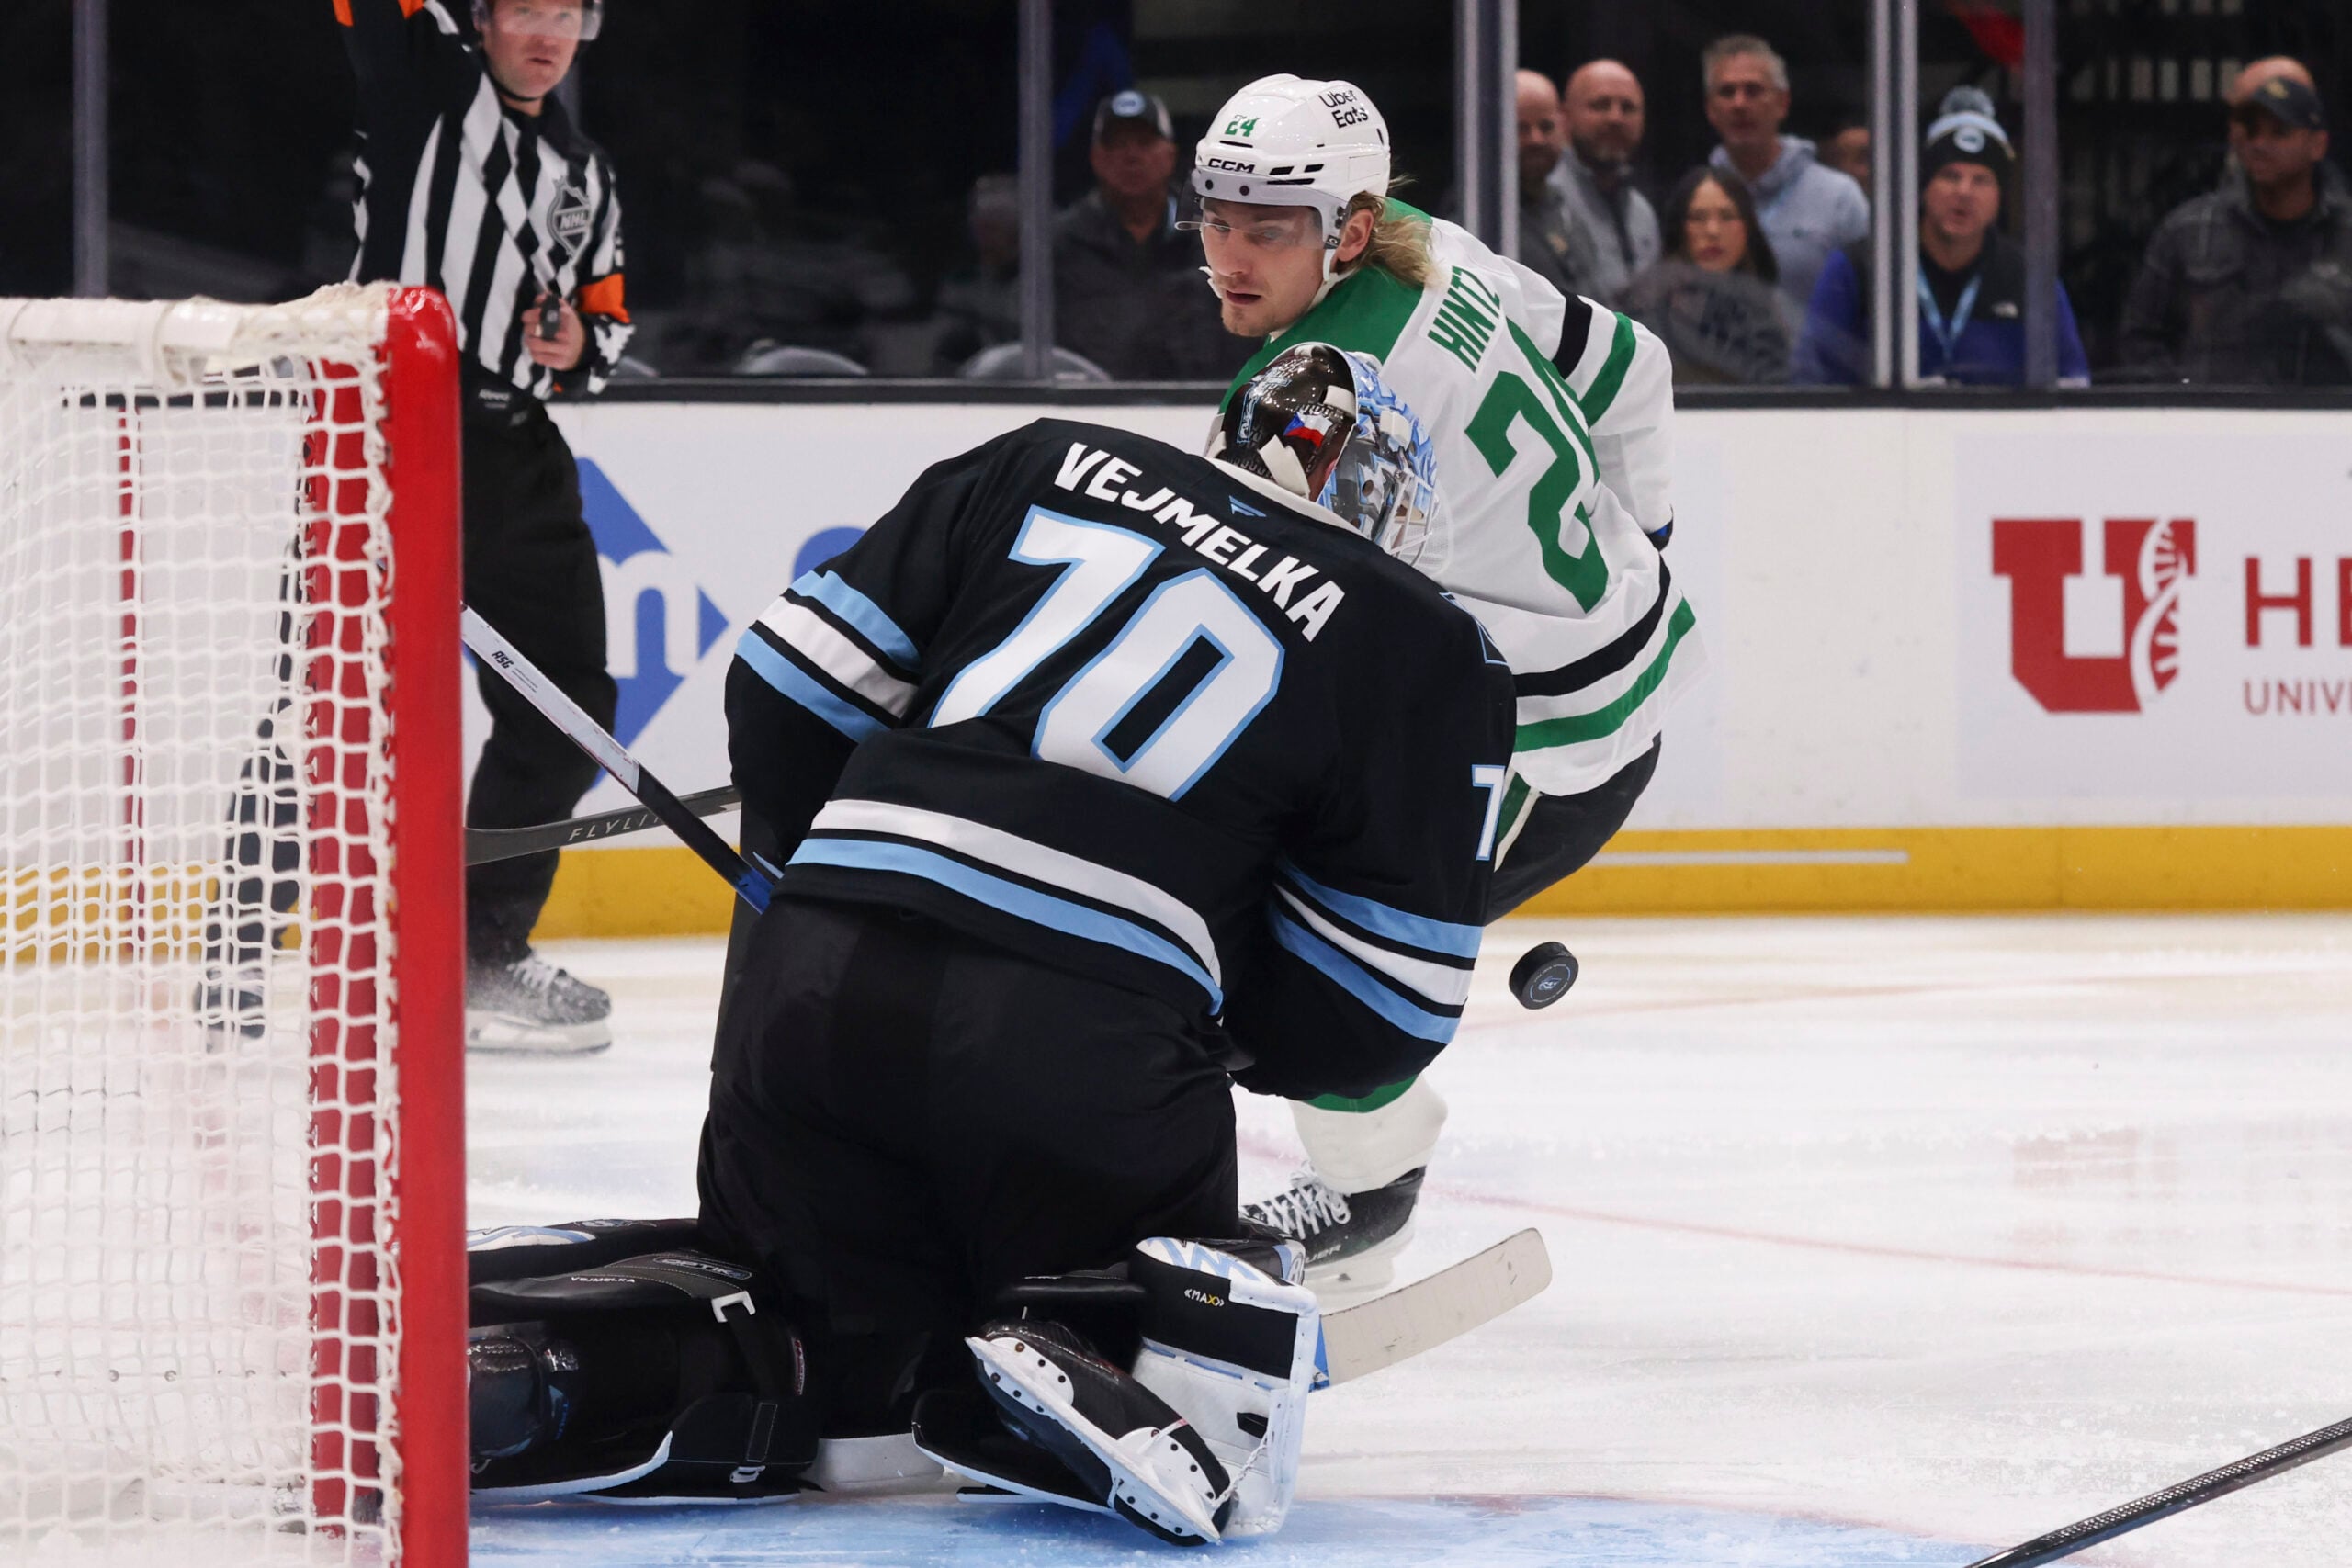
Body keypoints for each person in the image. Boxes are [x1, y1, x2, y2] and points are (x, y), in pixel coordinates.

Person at [458, 345, 1517, 1545]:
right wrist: (1217, 1023)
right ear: (1388, 507)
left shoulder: (1040, 458)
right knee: (1180, 1331)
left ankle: (537, 1362)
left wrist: (831, 879)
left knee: (814, 1377)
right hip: (1085, 1049)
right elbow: (1373, 1016)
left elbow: (782, 683)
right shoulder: (1423, 639)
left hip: (811, 998)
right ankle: (1095, 1341)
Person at [1188, 74, 1695, 1294]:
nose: (1230, 253)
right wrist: (1648, 554)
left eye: (1270, 225)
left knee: (1286, 945)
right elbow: (1636, 368)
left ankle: (1368, 1191)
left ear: (1347, 231)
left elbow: (1247, 632)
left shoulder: (1312, 396)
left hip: (1543, 744)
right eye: (1217, 214)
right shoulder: (1442, 258)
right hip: (1602, 675)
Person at [335, 0, 629, 1052]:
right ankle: (237, 947)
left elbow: (606, 326)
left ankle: (483, 949)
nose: (546, 35)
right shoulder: (428, 90)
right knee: (326, 697)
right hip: (391, 435)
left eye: (567, 14)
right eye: (524, 11)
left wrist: (572, 349)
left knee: (567, 704)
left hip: (516, 455)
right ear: (480, 20)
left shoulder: (584, 172)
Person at [1797, 89, 2089, 386]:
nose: (1964, 192)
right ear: (1923, 187)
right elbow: (1811, 381)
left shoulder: (2029, 279)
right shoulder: (1858, 268)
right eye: (1950, 176)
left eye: (1981, 180)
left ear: (2000, 197)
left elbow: (2072, 382)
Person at [2119, 71, 2352, 386]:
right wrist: (2179, 401)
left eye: (2279, 132)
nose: (2260, 144)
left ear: (2317, 144)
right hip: (2211, 427)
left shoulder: (2345, 232)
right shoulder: (2189, 230)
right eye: (2251, 130)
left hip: (2328, 427)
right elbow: (2140, 338)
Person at [1055, 90, 1244, 379]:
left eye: (1145, 143)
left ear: (1170, 154)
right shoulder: (1060, 244)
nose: (1132, 156)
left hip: (1197, 406)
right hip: (1091, 407)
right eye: (1117, 144)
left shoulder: (1215, 238)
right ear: (1096, 158)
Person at [1702, 33, 1870, 328]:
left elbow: (1870, 307)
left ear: (1783, 102)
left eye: (1753, 90)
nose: (1739, 104)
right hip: (1717, 373)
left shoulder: (1839, 198)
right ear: (1710, 109)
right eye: (1727, 92)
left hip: (1816, 374)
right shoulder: (1694, 200)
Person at [1621, 168, 1790, 385]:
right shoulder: (1643, 311)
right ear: (1680, 229)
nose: (1712, 231)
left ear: (1747, 227)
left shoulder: (1774, 312)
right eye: (1698, 218)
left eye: (1727, 217)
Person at [1552, 59, 1663, 303]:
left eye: (1628, 108)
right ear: (1565, 117)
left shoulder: (1643, 213)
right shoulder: (1544, 200)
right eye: (1600, 105)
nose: (1615, 118)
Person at [1513, 70, 1603, 302]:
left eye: (1546, 127)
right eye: (1521, 129)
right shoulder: (1476, 215)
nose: (1536, 140)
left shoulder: (1566, 211)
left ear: (1563, 125)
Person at [933, 173, 1022, 372]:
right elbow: (945, 363)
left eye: (994, 229)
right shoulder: (960, 290)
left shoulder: (1053, 283)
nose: (986, 240)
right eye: (982, 229)